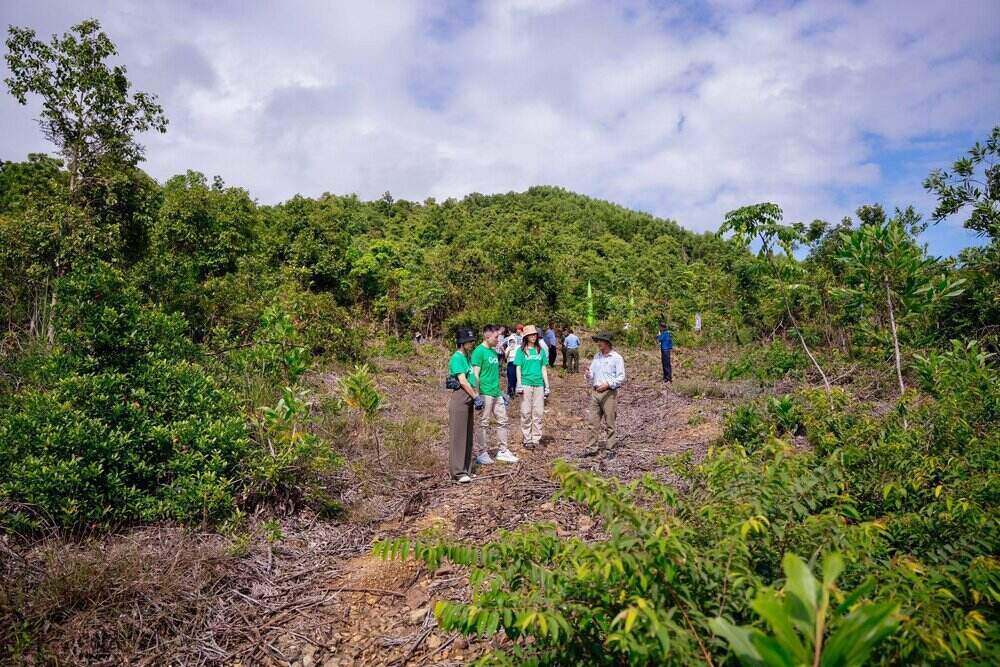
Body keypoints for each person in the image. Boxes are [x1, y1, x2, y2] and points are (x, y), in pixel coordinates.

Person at [471, 325, 519, 464]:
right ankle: (482, 453)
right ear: (487, 336)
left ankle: (503, 451)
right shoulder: (478, 352)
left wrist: (501, 393)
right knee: (483, 424)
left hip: (496, 393)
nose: (498, 339)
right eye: (496, 337)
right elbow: (475, 375)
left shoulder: (493, 352)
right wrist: (476, 395)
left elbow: (494, 375)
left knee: (503, 420)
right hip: (485, 394)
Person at [447, 327, 484, 483]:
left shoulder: (467, 357)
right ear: (462, 343)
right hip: (461, 398)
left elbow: (471, 378)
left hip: (469, 397)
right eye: (469, 342)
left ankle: (466, 469)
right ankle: (457, 472)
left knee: (468, 434)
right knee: (459, 435)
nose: (471, 344)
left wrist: (477, 394)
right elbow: (462, 381)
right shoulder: (456, 358)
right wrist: (475, 396)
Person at [584, 331, 625, 458]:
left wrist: (608, 384)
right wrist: (588, 375)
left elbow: (621, 377)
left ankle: (610, 449)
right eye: (598, 341)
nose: (598, 344)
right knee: (592, 422)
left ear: (607, 343)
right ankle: (591, 449)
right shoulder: (597, 356)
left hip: (609, 393)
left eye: (600, 341)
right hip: (595, 392)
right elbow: (591, 374)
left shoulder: (616, 358)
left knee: (610, 422)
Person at [514, 325, 550, 450]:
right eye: (531, 335)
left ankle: (536, 439)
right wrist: (519, 384)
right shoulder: (521, 351)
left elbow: (543, 368)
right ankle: (527, 439)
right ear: (526, 337)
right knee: (526, 412)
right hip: (526, 383)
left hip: (539, 384)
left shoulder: (540, 351)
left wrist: (547, 385)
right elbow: (518, 367)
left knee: (538, 412)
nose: (533, 337)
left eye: (535, 335)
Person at [505, 324, 523, 397]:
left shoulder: (519, 343)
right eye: (511, 341)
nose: (512, 342)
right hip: (511, 362)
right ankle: (510, 392)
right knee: (511, 378)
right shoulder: (509, 345)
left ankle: (514, 391)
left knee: (516, 377)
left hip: (518, 362)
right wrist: (509, 350)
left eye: (513, 341)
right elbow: (506, 356)